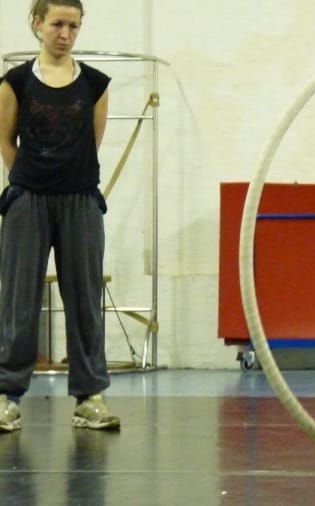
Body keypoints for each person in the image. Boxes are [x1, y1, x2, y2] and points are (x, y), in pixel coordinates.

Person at [0, 0, 119, 432]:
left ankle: (90, 397)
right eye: (57, 24)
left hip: (81, 202)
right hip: (27, 200)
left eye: (73, 25)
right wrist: (33, 183)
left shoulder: (95, 84)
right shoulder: (14, 82)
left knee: (86, 301)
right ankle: (7, 396)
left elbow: (92, 142)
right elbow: (8, 144)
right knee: (18, 302)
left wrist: (68, 182)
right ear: (37, 24)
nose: (65, 33)